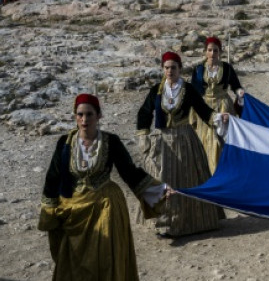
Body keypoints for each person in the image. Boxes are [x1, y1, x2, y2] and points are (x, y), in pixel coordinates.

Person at [40, 94, 168, 280]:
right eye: (80, 114)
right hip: (74, 208)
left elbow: (129, 171)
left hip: (106, 206)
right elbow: (53, 176)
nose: (84, 120)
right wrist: (49, 210)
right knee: (73, 258)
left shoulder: (110, 141)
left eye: (89, 114)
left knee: (106, 256)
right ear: (75, 116)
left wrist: (159, 190)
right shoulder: (65, 143)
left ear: (99, 115)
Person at [137, 51, 226, 237]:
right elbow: (144, 112)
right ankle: (163, 221)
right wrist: (143, 134)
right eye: (167, 68)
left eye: (173, 68)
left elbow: (203, 110)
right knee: (160, 177)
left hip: (185, 139)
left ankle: (191, 221)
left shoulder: (187, 89)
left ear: (180, 69)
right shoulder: (156, 90)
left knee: (187, 176)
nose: (170, 71)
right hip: (162, 140)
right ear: (163, 69)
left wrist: (218, 118)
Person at [190, 37, 245, 173]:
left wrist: (240, 92)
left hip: (223, 106)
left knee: (223, 142)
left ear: (220, 52)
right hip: (205, 108)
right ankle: (211, 174)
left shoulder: (227, 68)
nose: (212, 53)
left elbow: (236, 86)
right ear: (205, 52)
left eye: (215, 50)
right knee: (208, 141)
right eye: (209, 50)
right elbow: (193, 92)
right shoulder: (198, 70)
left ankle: (226, 172)